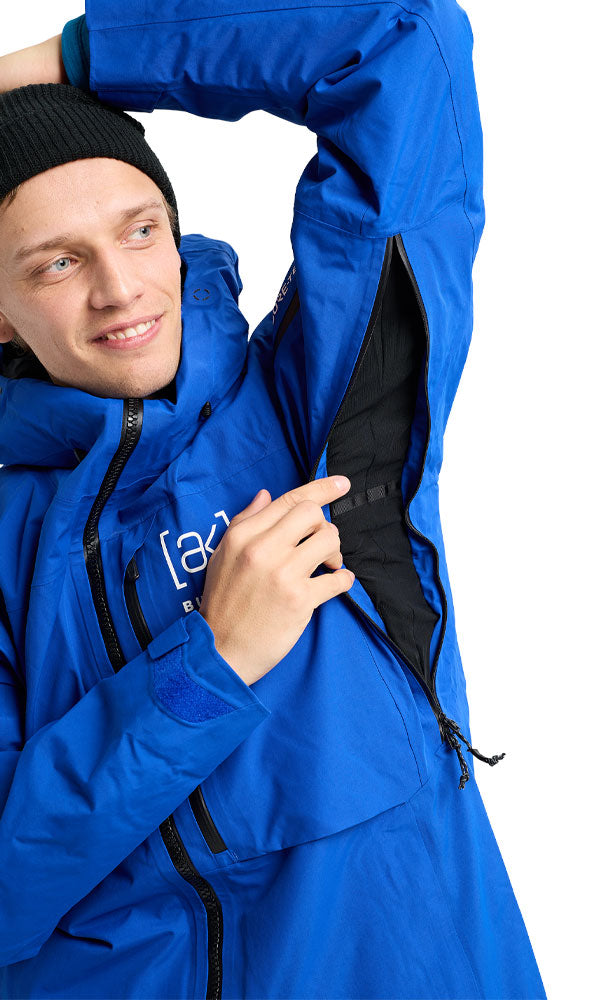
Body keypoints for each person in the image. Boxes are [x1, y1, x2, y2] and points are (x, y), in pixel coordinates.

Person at [0, 3, 548, 998]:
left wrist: (64, 59)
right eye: (58, 262)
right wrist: (206, 665)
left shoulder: (317, 412)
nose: (121, 288)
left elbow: (399, 41)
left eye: (140, 231)